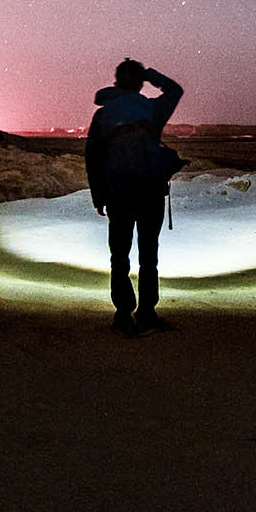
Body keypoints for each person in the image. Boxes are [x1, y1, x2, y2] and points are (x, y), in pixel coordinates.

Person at [84, 57, 184, 333]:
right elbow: (175, 90)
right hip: (150, 191)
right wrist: (152, 73)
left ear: (116, 81)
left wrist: (98, 196)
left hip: (117, 194)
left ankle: (123, 315)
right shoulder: (152, 109)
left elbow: (93, 156)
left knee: (120, 255)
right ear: (141, 83)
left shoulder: (103, 114)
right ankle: (148, 313)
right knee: (148, 255)